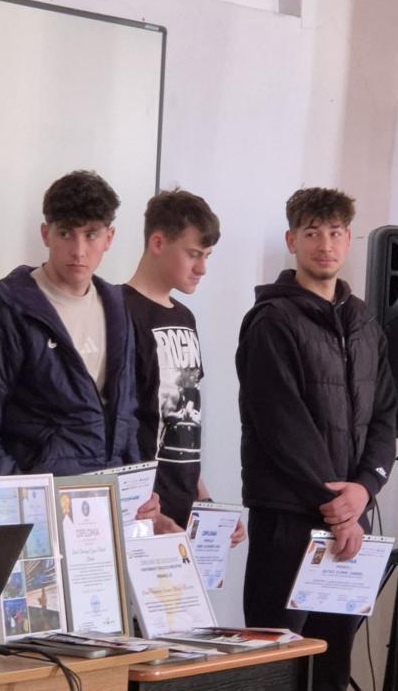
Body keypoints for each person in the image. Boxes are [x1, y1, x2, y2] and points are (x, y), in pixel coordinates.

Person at [237, 187, 397, 691]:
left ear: (348, 240)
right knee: (276, 662)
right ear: (292, 241)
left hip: (350, 516)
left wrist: (365, 488)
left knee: (333, 664)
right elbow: (281, 423)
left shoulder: (365, 322)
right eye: (311, 233)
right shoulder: (272, 321)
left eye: (334, 233)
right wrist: (338, 506)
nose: (324, 245)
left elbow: (385, 414)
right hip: (288, 515)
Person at [0, 170, 142, 477]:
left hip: (109, 494)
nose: (78, 250)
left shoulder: (117, 308)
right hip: (39, 494)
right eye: (66, 233)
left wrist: (136, 482)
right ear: (46, 234)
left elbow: (126, 415)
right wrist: (20, 492)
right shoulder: (4, 311)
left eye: (91, 235)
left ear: (109, 238)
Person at [123, 189, 245, 546]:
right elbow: (118, 426)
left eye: (206, 256)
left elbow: (183, 425)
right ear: (158, 242)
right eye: (193, 254)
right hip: (140, 514)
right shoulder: (118, 310)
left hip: (183, 512)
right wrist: (147, 513)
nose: (202, 268)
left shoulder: (185, 317)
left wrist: (206, 502)